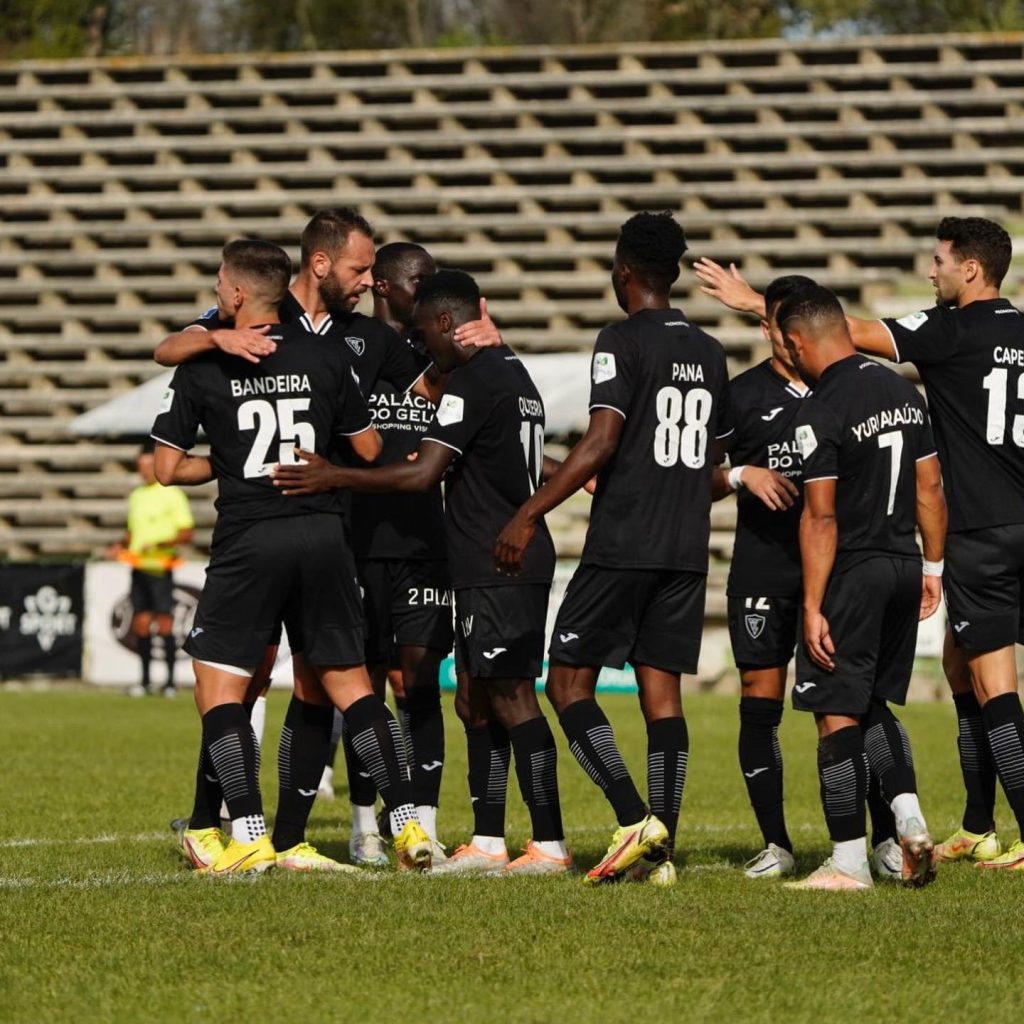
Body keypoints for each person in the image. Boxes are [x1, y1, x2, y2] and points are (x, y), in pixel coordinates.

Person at [155, 211, 499, 865]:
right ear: (308, 268)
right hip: (327, 535)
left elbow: (167, 467)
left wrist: (235, 453)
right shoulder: (327, 356)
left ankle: (249, 837)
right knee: (353, 686)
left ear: (232, 294)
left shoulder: (209, 361)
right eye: (359, 269)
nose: (368, 282)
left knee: (225, 687)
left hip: (252, 533)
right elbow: (369, 447)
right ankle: (406, 824)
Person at [695, 217, 1024, 870]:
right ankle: (978, 823)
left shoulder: (944, 333)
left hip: (979, 527)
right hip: (994, 524)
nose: (930, 272)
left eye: (938, 261)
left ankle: (867, 851)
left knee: (991, 685)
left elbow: (841, 335)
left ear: (971, 270)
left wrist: (755, 302)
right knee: (960, 669)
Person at [272, 269, 572, 875]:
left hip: (497, 561)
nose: (422, 357)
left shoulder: (474, 380)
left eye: (425, 337)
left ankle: (549, 844)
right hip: (487, 561)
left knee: (513, 699)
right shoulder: (513, 373)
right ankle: (488, 840)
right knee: (475, 698)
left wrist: (334, 475)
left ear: (443, 324)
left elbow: (421, 473)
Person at [495, 211, 733, 887]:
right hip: (686, 545)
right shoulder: (712, 350)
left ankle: (634, 819)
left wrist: (529, 512)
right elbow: (707, 459)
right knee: (664, 699)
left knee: (568, 683)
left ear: (624, 271)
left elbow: (602, 438)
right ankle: (662, 852)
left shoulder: (621, 338)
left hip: (625, 541)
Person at [709, 276, 905, 883]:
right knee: (758, 705)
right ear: (769, 329)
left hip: (841, 574)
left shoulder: (847, 387)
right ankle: (777, 844)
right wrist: (742, 474)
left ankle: (885, 842)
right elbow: (695, 478)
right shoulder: (741, 395)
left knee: (859, 703)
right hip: (766, 571)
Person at [772, 283, 946, 891]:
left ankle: (847, 862)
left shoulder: (819, 408)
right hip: (903, 564)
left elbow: (819, 515)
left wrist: (814, 605)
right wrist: (933, 568)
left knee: (833, 713)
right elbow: (930, 489)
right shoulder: (903, 390)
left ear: (794, 344)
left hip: (852, 571)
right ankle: (908, 822)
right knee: (873, 704)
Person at [107, 439, 194, 698]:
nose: (143, 471)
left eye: (147, 465)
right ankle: (144, 681)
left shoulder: (172, 494)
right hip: (138, 568)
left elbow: (186, 533)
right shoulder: (137, 495)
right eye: (140, 466)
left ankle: (169, 683)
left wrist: (159, 543)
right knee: (141, 625)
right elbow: (132, 532)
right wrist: (118, 545)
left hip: (160, 569)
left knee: (165, 624)